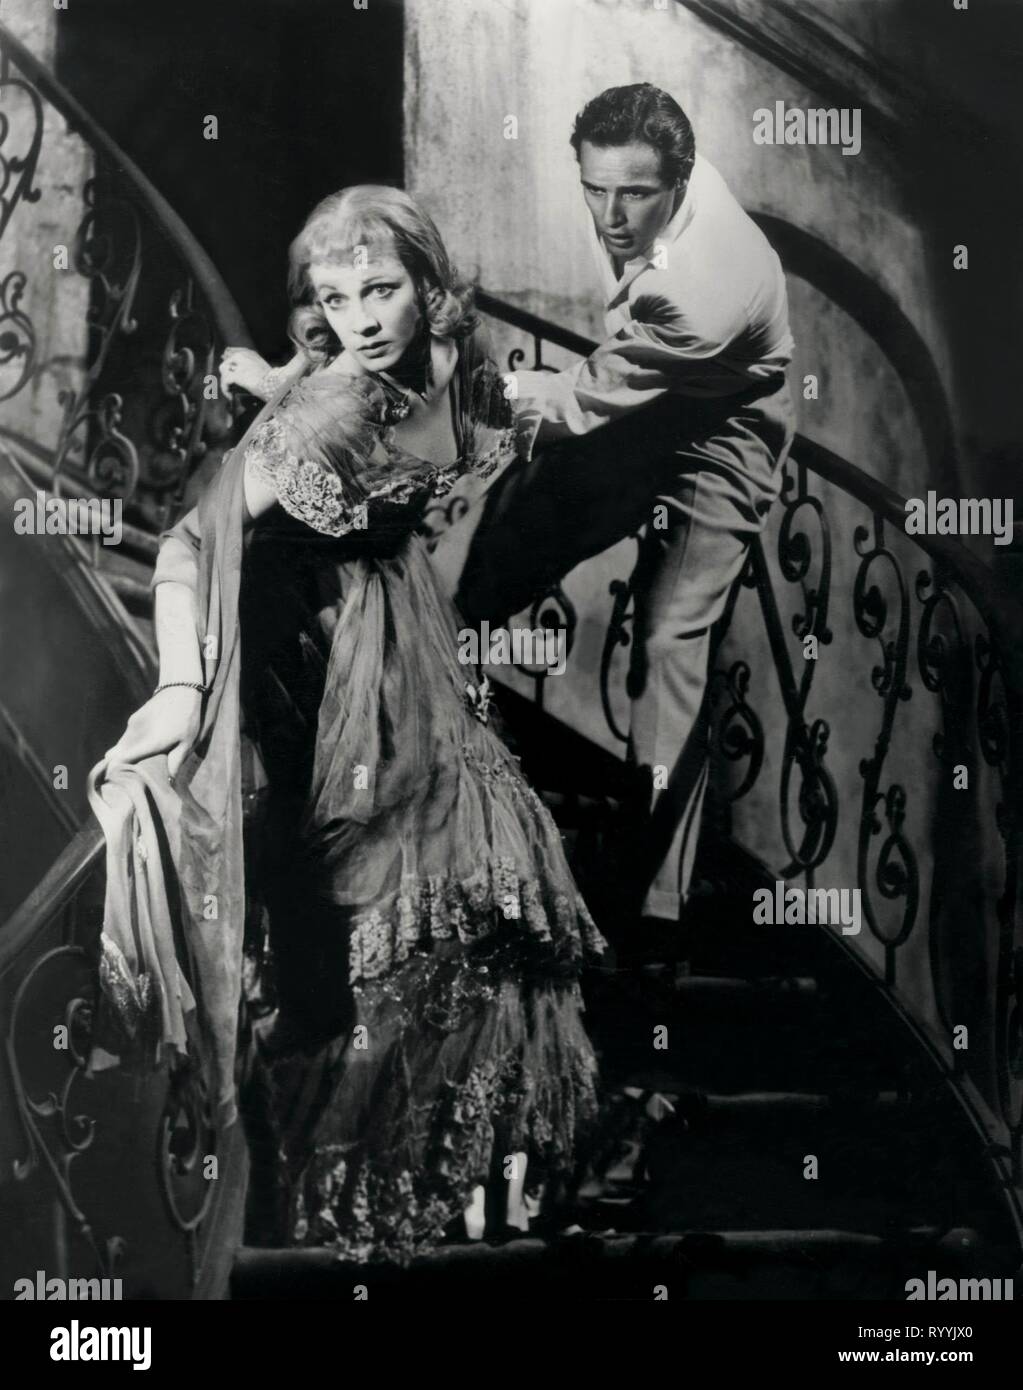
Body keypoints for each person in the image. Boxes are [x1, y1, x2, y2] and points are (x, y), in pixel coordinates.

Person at [102, 185, 608, 1263]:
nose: (362, 316)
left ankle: (438, 1196)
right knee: (365, 919)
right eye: (335, 297)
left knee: (481, 900)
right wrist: (183, 689)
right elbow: (190, 544)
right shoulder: (331, 409)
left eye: (381, 289)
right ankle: (342, 1210)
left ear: (432, 284)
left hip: (397, 618)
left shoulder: (461, 373)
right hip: (304, 641)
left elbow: (481, 436)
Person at [452, 84, 796, 953]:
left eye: (632, 194)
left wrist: (476, 389)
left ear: (676, 184)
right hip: (652, 383)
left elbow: (580, 402)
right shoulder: (648, 186)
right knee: (511, 529)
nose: (609, 215)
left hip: (726, 425)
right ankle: (444, 663)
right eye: (593, 188)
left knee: (668, 638)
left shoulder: (699, 292)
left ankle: (655, 914)